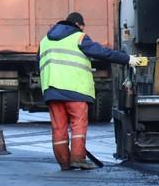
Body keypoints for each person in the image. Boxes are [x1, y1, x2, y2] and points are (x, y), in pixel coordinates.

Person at [39, 12, 138, 170]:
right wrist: (128, 59)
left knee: (58, 127)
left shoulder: (45, 41)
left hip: (52, 90)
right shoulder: (78, 37)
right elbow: (102, 53)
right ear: (78, 25)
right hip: (75, 89)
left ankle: (64, 163)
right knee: (78, 124)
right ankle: (78, 158)